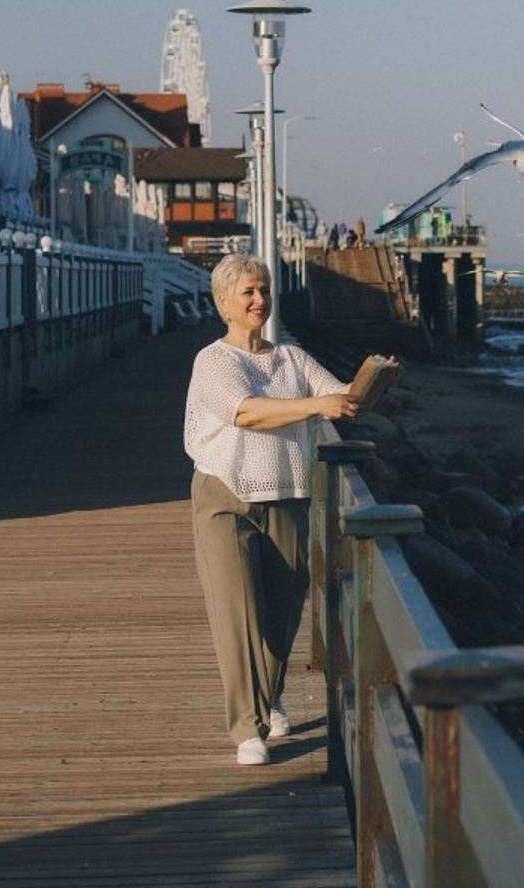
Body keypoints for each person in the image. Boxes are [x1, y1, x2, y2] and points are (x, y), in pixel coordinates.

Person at [184, 252, 360, 765]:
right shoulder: (212, 360)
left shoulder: (290, 359)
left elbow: (340, 396)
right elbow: (246, 413)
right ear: (224, 304)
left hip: (286, 494)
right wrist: (314, 406)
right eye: (248, 293)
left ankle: (268, 695)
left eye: (263, 290)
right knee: (238, 610)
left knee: (282, 614)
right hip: (225, 496)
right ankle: (246, 727)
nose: (260, 300)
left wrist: (373, 381)